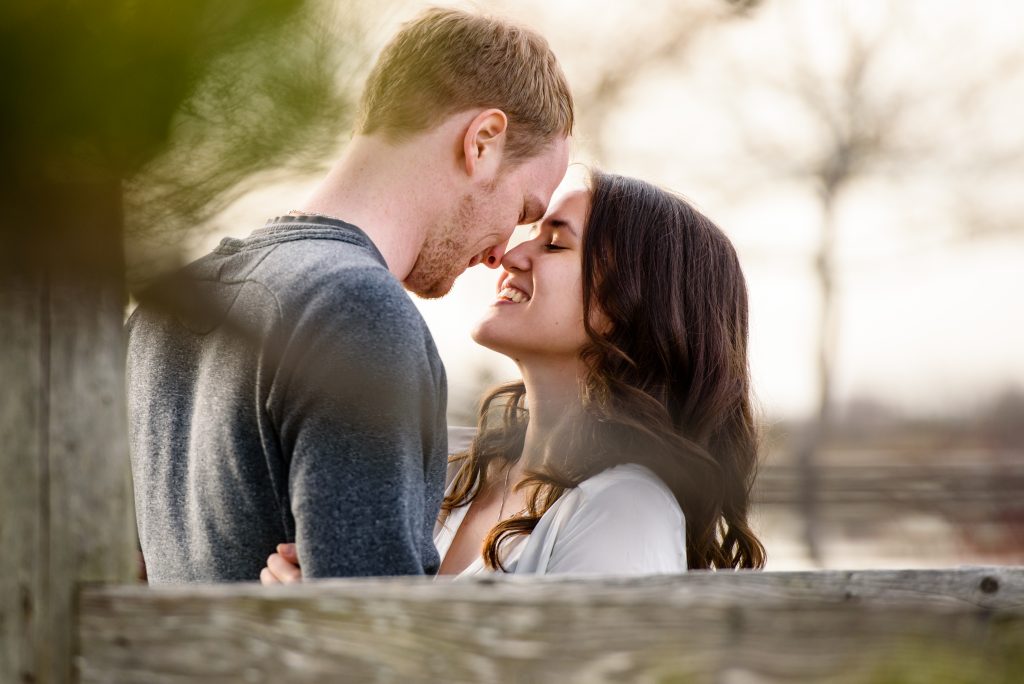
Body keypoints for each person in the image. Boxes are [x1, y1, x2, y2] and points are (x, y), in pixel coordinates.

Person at [126, 7, 573, 582]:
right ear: (483, 140)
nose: (500, 253)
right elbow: (373, 646)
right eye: (523, 210)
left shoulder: (163, 312)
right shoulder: (358, 312)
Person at [261, 171, 766, 583]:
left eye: (553, 245)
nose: (509, 256)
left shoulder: (626, 512)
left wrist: (329, 626)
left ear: (634, 304)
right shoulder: (453, 470)